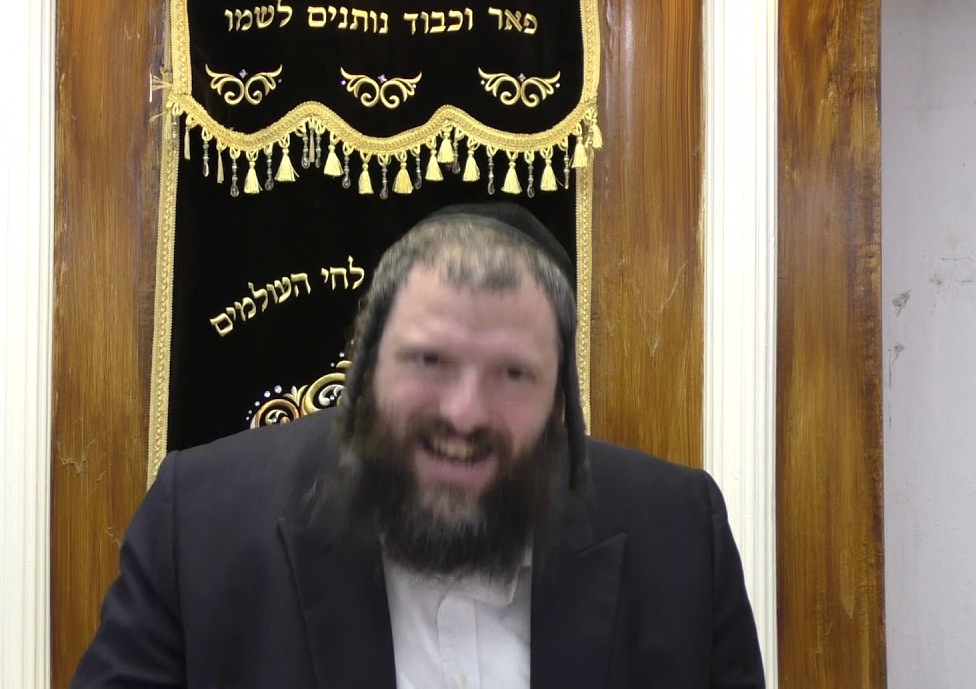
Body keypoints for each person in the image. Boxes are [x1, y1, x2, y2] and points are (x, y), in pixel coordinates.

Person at [73, 201, 765, 688]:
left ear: (561, 401)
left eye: (513, 374)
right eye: (429, 361)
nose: (464, 414)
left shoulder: (681, 535)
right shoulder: (201, 524)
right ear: (363, 369)